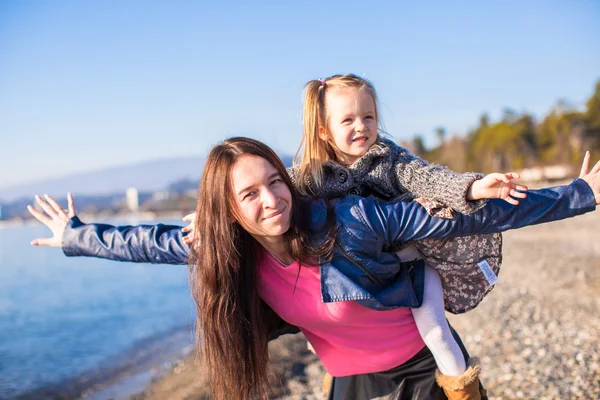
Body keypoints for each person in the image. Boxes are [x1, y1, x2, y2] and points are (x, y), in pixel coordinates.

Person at [28, 137, 600, 400]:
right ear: (228, 209)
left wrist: (580, 195)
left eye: (275, 181)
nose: (271, 199)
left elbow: (465, 220)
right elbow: (150, 243)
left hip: (425, 369)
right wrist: (75, 236)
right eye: (249, 195)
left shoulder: (352, 220)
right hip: (349, 379)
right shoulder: (230, 249)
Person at [181, 73, 527, 396]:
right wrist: (209, 215)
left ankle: (462, 391)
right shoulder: (313, 175)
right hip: (362, 270)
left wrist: (474, 186)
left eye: (369, 117)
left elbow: (432, 178)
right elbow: (263, 181)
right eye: (347, 120)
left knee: (436, 331)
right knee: (331, 330)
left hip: (412, 261)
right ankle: (338, 378)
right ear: (324, 131)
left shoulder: (392, 161)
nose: (361, 127)